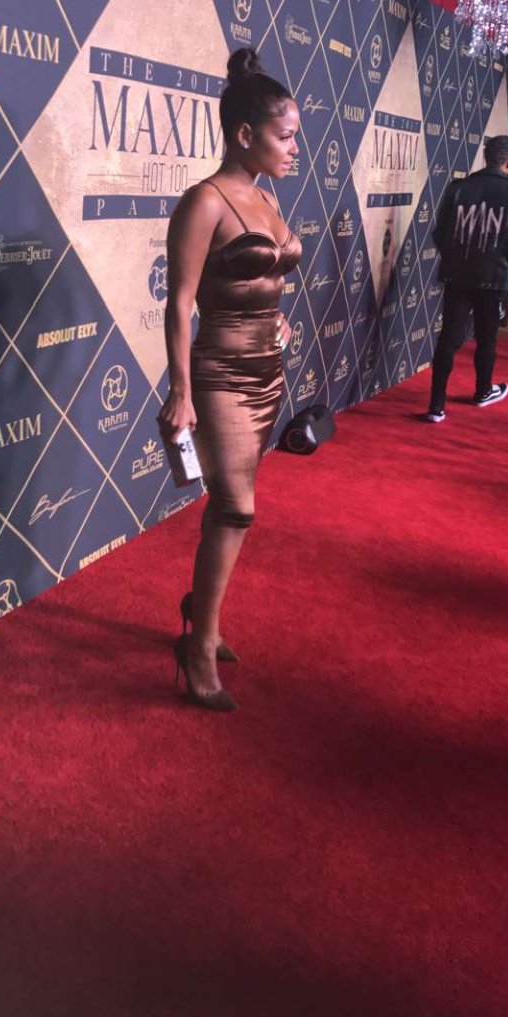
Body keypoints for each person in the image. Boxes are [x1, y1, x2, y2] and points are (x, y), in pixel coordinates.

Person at [158, 48, 301, 711]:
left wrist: (278, 319)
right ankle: (198, 645)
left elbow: (266, 277)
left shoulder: (266, 197)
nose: (294, 148)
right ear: (245, 134)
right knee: (237, 509)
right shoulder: (205, 202)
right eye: (285, 136)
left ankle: (203, 613)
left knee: (227, 508)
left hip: (267, 372)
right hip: (218, 374)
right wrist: (181, 391)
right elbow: (179, 302)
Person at [425, 135, 508, 423]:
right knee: (487, 338)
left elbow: (440, 234)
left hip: (457, 274)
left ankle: (436, 406)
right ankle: (483, 391)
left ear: (487, 157)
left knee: (448, 338)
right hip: (493, 277)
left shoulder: (458, 188)